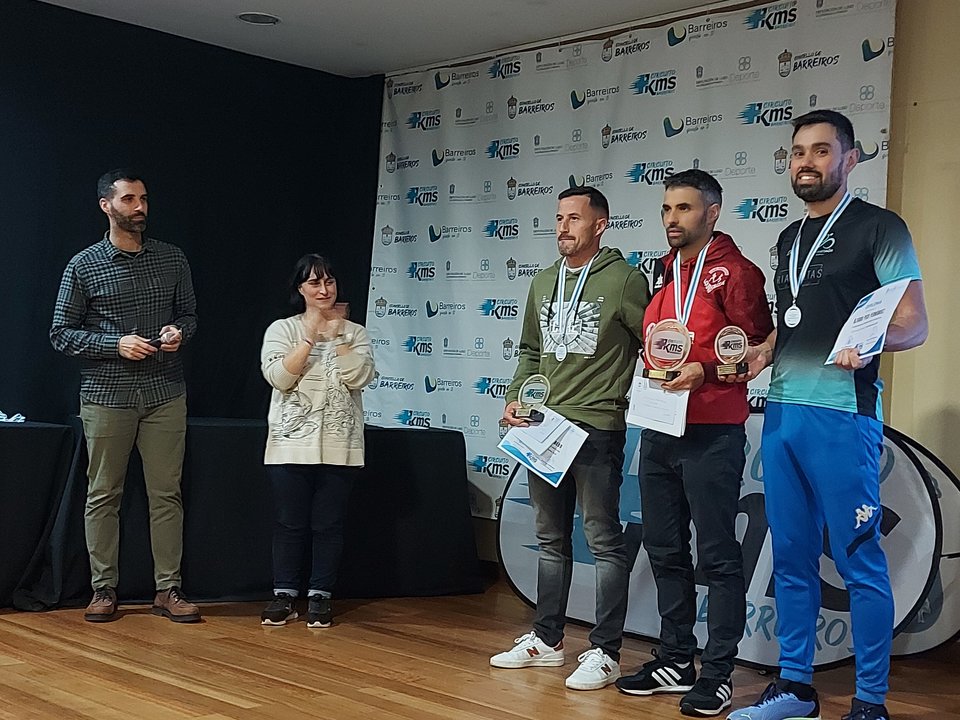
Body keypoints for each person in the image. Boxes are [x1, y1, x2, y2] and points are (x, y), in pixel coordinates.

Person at [727, 110, 927, 720]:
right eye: (796, 153)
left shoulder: (880, 229)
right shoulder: (788, 240)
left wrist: (872, 344)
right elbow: (792, 329)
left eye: (820, 151)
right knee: (788, 555)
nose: (806, 162)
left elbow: (914, 324)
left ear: (851, 158)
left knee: (858, 558)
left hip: (843, 416)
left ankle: (869, 702)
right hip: (785, 413)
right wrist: (761, 353)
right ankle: (796, 688)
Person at [615, 170, 773, 715]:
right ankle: (677, 657)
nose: (672, 220)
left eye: (683, 209)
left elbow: (754, 350)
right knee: (663, 546)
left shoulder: (737, 273)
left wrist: (705, 371)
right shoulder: (663, 272)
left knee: (718, 555)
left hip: (711, 432)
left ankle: (721, 670)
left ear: (712, 212)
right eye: (666, 209)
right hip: (659, 426)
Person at [490, 186, 650, 690]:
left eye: (574, 219)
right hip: (543, 428)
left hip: (597, 426)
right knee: (549, 539)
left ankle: (605, 651)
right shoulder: (542, 282)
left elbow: (657, 346)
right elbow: (529, 353)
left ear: (600, 225)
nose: (563, 227)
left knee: (603, 540)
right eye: (559, 217)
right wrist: (516, 396)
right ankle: (546, 639)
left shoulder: (624, 280)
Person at [50, 169, 200, 623]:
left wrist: (179, 333)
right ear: (106, 205)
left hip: (164, 391)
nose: (140, 207)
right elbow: (60, 333)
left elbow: (190, 314)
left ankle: (168, 589)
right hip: (106, 395)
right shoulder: (83, 264)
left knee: (166, 493)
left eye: (144, 199)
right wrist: (113, 345)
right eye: (130, 199)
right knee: (103, 494)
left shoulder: (172, 259)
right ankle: (102, 589)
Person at [259, 254, 375, 628]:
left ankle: (321, 594)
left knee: (329, 524)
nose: (324, 290)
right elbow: (279, 377)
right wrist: (310, 336)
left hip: (340, 444)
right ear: (300, 289)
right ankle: (284, 594)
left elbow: (359, 377)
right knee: (290, 522)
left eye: (329, 282)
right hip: (291, 442)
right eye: (314, 283)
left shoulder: (354, 332)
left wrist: (338, 335)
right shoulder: (282, 329)